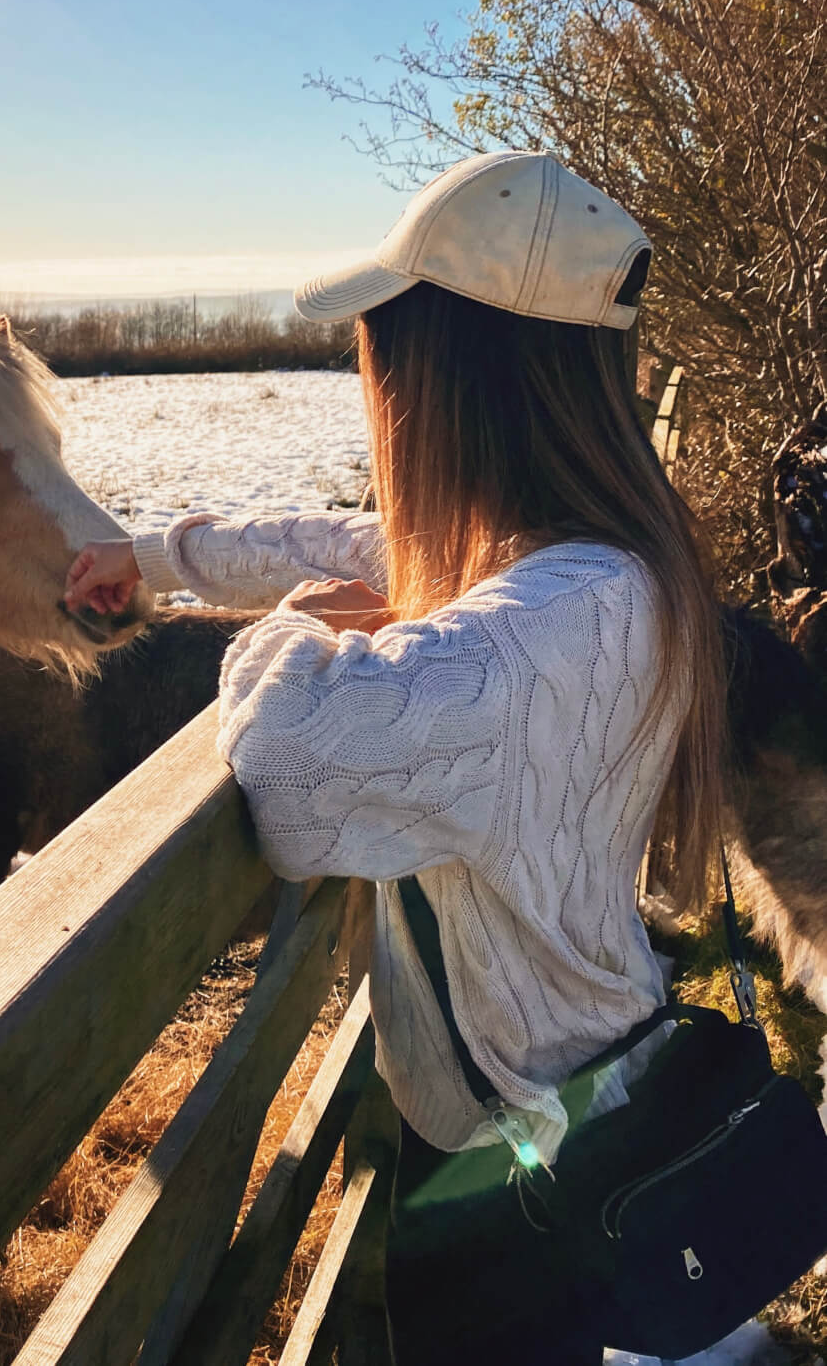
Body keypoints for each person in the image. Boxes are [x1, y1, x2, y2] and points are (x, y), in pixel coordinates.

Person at [63, 150, 728, 1366]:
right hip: (571, 1083)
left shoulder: (540, 630)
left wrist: (299, 628)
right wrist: (155, 555)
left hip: (520, 1154)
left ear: (451, 376)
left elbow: (292, 768)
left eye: (385, 354)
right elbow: (351, 537)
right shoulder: (598, 562)